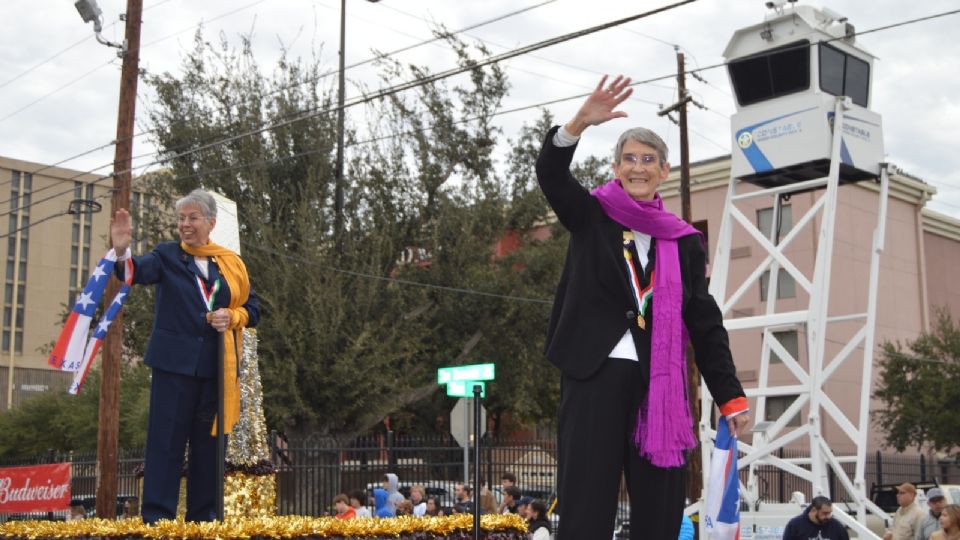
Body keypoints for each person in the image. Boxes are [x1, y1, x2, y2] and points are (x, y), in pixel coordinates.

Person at [534, 74, 750, 540]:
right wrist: (576, 125)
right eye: (629, 158)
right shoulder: (591, 215)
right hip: (595, 376)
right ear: (615, 168)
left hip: (660, 388)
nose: (638, 167)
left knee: (659, 510)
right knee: (587, 506)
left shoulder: (685, 241)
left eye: (648, 160)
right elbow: (551, 175)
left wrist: (729, 394)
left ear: (663, 171)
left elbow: (705, 322)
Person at [110, 189, 260, 523]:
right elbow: (134, 273)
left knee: (209, 448)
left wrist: (232, 317)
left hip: (216, 369)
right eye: (181, 218)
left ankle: (204, 519)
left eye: (192, 218)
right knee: (165, 444)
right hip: (172, 366)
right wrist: (121, 252)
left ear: (211, 222)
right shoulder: (166, 255)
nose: (185, 224)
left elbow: (253, 308)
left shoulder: (230, 264)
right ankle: (158, 519)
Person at [782, 496, 849, 540]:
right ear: (814, 510)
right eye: (825, 513)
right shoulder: (795, 525)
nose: (828, 516)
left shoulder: (837, 526)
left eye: (829, 513)